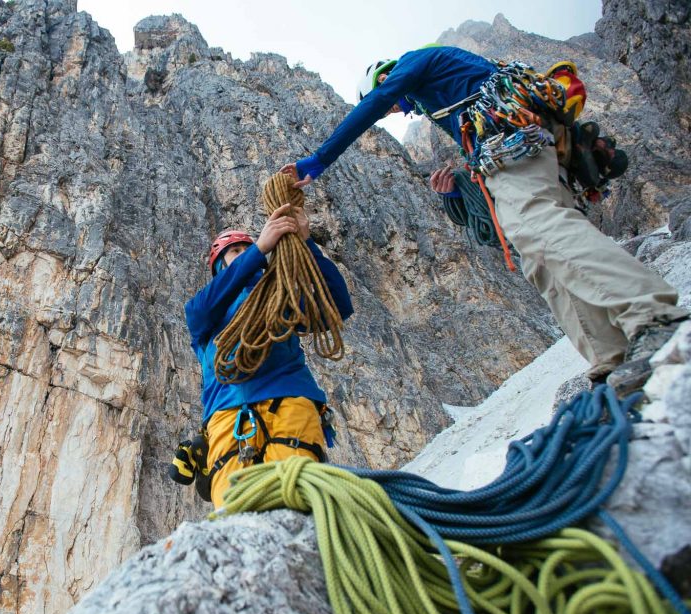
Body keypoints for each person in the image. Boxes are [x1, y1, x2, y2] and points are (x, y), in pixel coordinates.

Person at [280, 46, 688, 392]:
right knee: (538, 259)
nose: (396, 112)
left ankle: (652, 316)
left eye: (390, 103)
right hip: (519, 152)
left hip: (513, 145)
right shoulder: (446, 92)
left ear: (385, 77)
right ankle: (611, 358)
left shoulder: (416, 62)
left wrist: (319, 160)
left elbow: (369, 107)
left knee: (541, 227)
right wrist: (458, 191)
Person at [185, 203, 353, 507]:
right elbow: (199, 310)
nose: (244, 254)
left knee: (296, 502)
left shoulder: (282, 303)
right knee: (234, 509)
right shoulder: (207, 314)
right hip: (229, 414)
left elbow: (337, 307)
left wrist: (306, 242)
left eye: (245, 249)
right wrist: (259, 247)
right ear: (220, 267)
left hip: (289, 403)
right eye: (234, 252)